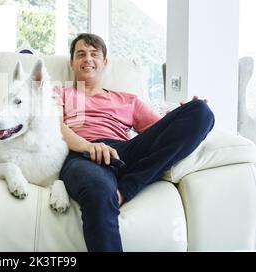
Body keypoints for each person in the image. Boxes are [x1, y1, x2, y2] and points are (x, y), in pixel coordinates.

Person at [55, 33, 215, 252]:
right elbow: (54, 127)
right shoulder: (59, 93)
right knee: (100, 192)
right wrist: (88, 146)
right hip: (82, 155)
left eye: (94, 54)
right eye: (81, 54)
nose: (88, 59)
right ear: (72, 62)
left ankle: (127, 187)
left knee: (201, 112)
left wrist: (183, 116)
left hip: (124, 152)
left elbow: (163, 135)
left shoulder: (128, 100)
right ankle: (120, 190)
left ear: (105, 62)